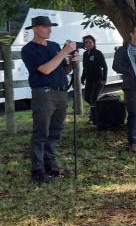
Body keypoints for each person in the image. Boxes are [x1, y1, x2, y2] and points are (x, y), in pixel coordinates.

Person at [21, 16, 76, 182]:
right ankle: (37, 171)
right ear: (36, 28)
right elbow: (45, 70)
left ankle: (50, 166)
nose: (49, 30)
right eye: (46, 27)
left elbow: (61, 70)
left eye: (50, 27)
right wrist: (64, 52)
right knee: (41, 133)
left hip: (60, 92)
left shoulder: (54, 46)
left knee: (55, 132)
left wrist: (71, 63)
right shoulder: (29, 50)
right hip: (43, 93)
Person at [80, 35, 107, 123]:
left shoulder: (98, 53)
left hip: (98, 79)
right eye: (86, 42)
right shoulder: (85, 54)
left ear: (94, 43)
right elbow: (85, 68)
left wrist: (104, 79)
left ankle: (95, 118)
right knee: (87, 97)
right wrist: (82, 78)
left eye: (90, 42)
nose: (88, 44)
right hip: (89, 80)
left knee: (93, 99)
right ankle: (98, 112)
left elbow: (105, 67)